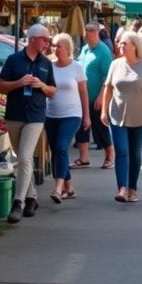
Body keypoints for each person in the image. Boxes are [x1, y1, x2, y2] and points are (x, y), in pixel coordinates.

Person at [0, 23, 57, 223]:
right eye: (45, 40)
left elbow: (53, 91)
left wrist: (42, 85)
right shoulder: (13, 60)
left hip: (36, 116)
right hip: (14, 114)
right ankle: (32, 198)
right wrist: (18, 83)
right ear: (32, 39)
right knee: (23, 160)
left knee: (24, 157)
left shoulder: (46, 63)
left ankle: (18, 203)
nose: (48, 43)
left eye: (49, 40)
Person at [101, 32, 142, 203]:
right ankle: (123, 188)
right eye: (119, 44)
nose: (120, 46)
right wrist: (104, 110)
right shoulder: (115, 64)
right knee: (122, 151)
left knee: (134, 153)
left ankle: (133, 188)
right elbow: (108, 89)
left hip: (139, 115)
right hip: (117, 115)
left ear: (134, 46)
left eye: (124, 43)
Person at [45, 33, 90, 203]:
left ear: (68, 48)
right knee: (56, 152)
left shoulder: (76, 67)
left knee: (62, 147)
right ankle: (69, 187)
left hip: (72, 115)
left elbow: (84, 93)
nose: (55, 49)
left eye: (59, 46)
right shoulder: (49, 66)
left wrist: (87, 116)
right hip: (51, 114)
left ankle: (58, 188)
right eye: (53, 45)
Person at [73, 22, 115, 169]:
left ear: (96, 33)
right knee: (82, 126)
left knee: (99, 127)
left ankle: (110, 156)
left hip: (96, 97)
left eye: (89, 31)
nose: (86, 34)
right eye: (85, 30)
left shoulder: (103, 51)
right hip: (82, 97)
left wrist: (101, 96)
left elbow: (108, 76)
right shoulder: (84, 49)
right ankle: (83, 158)